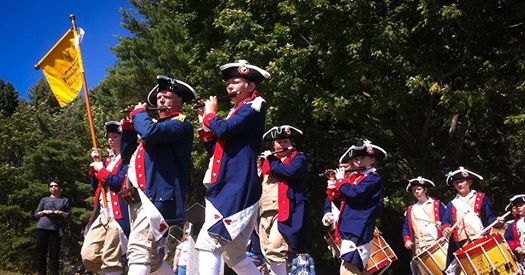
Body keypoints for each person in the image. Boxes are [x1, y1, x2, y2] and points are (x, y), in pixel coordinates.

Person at [195, 59, 269, 275]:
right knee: (234, 255)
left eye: (236, 82)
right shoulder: (237, 112)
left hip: (235, 187)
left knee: (209, 243)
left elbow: (225, 130)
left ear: (251, 86)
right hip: (230, 185)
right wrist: (206, 124)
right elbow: (218, 151)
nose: (229, 87)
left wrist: (210, 115)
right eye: (228, 83)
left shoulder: (254, 106)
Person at [119, 75, 197, 274]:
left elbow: (149, 133)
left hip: (158, 198)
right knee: (152, 259)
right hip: (142, 197)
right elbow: (127, 156)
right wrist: (128, 128)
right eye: (159, 97)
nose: (161, 101)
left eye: (167, 97)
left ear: (179, 101)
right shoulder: (156, 127)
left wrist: (138, 114)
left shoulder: (180, 124)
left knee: (138, 249)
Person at [326, 140, 386, 275]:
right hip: (349, 227)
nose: (358, 162)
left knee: (348, 268)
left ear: (372, 160)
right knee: (358, 268)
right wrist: (332, 181)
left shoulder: (373, 178)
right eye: (356, 159)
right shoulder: (354, 178)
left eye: (363, 158)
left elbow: (356, 193)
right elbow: (337, 200)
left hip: (359, 228)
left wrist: (341, 181)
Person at [81, 121, 130, 275]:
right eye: (109, 137)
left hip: (118, 215)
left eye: (115, 136)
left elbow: (119, 183)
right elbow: (96, 188)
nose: (110, 139)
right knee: (88, 256)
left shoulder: (127, 159)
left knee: (110, 259)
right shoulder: (107, 161)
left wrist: (101, 170)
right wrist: (96, 167)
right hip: (102, 214)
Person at [258, 125, 308, 275]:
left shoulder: (298, 158)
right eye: (279, 142)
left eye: (285, 141)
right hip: (264, 212)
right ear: (274, 145)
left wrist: (271, 159)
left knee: (275, 251)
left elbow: (290, 171)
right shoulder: (268, 162)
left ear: (291, 143)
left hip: (284, 213)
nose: (282, 145)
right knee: (267, 254)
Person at [441, 166, 503, 274]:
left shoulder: (481, 197)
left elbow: (490, 218)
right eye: (456, 183)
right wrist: (446, 228)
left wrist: (497, 221)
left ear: (469, 182)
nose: (460, 185)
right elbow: (446, 222)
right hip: (461, 245)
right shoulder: (452, 204)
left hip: (480, 241)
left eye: (462, 181)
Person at [402, 177, 445, 274]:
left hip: (437, 244)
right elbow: (406, 227)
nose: (416, 191)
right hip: (419, 247)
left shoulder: (437, 204)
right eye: (414, 190)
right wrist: (407, 240)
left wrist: (442, 226)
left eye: (419, 189)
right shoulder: (411, 209)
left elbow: (447, 222)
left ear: (425, 190)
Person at [35, 180, 70, 275]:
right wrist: (44, 212)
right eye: (51, 186)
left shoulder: (64, 200)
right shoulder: (44, 200)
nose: (53, 187)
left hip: (55, 229)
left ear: (59, 188)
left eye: (56, 186)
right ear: (49, 188)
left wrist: (62, 213)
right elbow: (36, 214)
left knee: (54, 254)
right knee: (41, 252)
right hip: (42, 227)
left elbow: (68, 214)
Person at [504, 194, 525, 268]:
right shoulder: (513, 225)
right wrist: (517, 247)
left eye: (521, 205)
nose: (518, 207)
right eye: (516, 206)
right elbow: (507, 240)